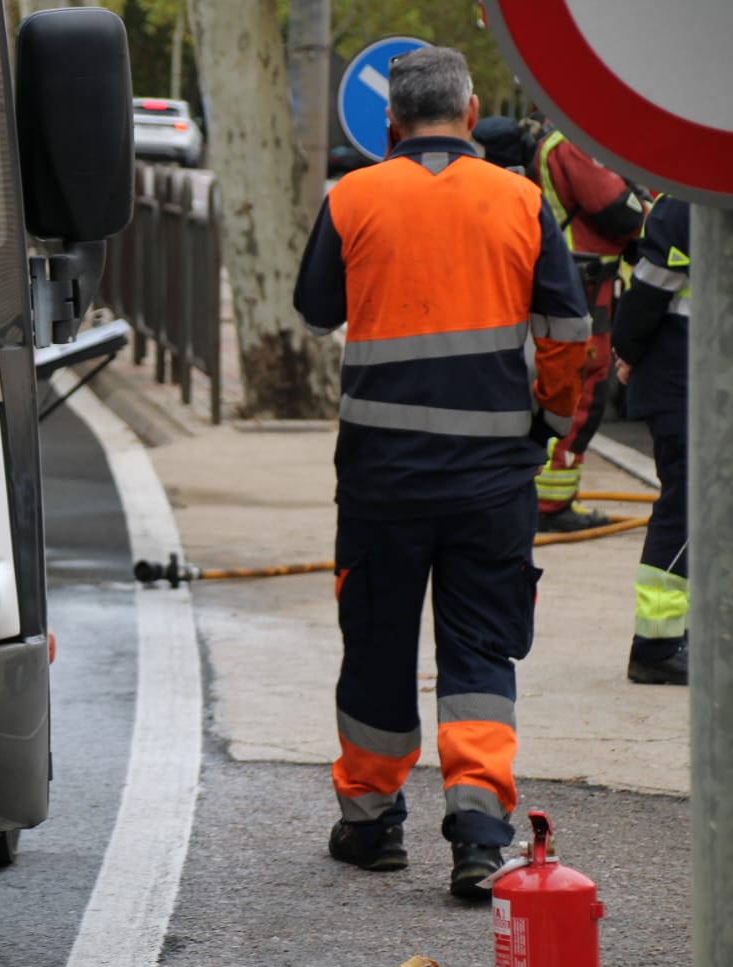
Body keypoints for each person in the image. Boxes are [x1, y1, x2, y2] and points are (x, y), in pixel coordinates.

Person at [293, 48, 590, 900]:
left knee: (378, 645)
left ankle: (372, 823)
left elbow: (317, 312)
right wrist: (552, 424)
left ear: (391, 125)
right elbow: (568, 335)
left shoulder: (351, 196)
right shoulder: (522, 200)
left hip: (382, 479)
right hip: (492, 479)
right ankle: (477, 836)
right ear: (468, 115)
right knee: (480, 648)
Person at [525, 117, 646, 532]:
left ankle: (551, 497)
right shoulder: (573, 143)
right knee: (581, 394)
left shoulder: (569, 139)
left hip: (586, 281)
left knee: (579, 392)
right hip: (582, 284)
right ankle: (551, 504)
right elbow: (618, 210)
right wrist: (646, 208)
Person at [611, 194, 690, 685]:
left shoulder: (684, 199)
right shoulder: (687, 200)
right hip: (684, 377)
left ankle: (679, 636)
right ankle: (656, 647)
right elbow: (647, 296)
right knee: (690, 510)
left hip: (690, 375)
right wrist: (629, 351)